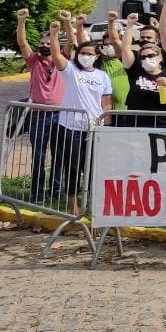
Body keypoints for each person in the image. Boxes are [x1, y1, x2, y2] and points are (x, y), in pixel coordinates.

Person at [47, 14, 112, 216]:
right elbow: (57, 55)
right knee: (73, 168)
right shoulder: (71, 71)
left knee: (92, 169)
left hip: (93, 129)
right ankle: (73, 206)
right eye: (83, 53)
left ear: (96, 56)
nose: (86, 56)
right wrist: (54, 34)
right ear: (78, 54)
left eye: (90, 53)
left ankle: (91, 205)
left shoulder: (102, 76)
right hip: (71, 128)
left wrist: (106, 128)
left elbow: (106, 103)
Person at [14, 8, 68, 203]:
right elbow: (22, 43)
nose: (45, 46)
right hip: (38, 115)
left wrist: (63, 27)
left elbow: (71, 44)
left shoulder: (63, 61)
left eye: (49, 43)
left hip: (61, 115)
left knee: (59, 156)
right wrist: (21, 21)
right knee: (38, 156)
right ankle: (37, 193)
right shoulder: (34, 61)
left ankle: (56, 191)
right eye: (42, 43)